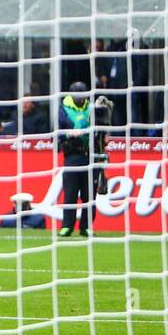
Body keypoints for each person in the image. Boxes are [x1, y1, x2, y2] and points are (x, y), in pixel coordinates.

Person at [57, 81, 108, 237]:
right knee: (71, 193)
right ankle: (67, 226)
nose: (80, 98)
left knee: (89, 194)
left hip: (90, 154)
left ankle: (86, 227)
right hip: (72, 154)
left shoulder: (91, 108)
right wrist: (70, 133)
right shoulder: (63, 108)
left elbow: (102, 126)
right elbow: (58, 130)